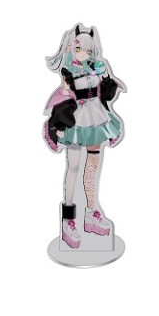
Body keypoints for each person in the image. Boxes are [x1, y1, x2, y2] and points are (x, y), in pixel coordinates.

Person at [43, 23, 126, 249]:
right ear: (71, 47)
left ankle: (91, 210)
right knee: (73, 166)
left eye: (88, 50)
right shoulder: (68, 71)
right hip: (75, 119)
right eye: (80, 48)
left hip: (95, 117)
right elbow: (63, 97)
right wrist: (60, 122)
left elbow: (105, 93)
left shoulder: (95, 66)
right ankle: (68, 218)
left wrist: (107, 78)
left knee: (93, 165)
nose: (84, 54)